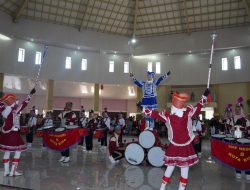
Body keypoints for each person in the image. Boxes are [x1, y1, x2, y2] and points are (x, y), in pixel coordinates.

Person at [144, 89, 210, 190]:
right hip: (186, 147)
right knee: (184, 170)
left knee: (170, 168)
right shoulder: (188, 114)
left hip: (174, 147)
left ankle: (162, 188)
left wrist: (144, 107)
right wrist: (204, 95)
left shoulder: (169, 118)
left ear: (173, 107)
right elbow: (198, 106)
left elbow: (154, 114)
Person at [0, 88, 36, 176]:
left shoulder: (3, 110)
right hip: (13, 133)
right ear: (12, 101)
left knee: (7, 152)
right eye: (15, 99)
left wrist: (1, 99)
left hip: (6, 134)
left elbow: (1, 104)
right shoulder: (14, 109)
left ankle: (6, 172)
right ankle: (13, 171)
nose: (17, 101)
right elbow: (25, 103)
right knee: (18, 151)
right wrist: (30, 94)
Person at [233, 97, 250, 180]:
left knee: (247, 157)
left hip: (246, 141)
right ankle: (238, 171)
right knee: (237, 157)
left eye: (239, 109)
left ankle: (248, 172)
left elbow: (249, 129)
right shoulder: (233, 118)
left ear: (242, 109)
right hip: (236, 141)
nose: (237, 110)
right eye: (236, 109)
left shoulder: (246, 120)